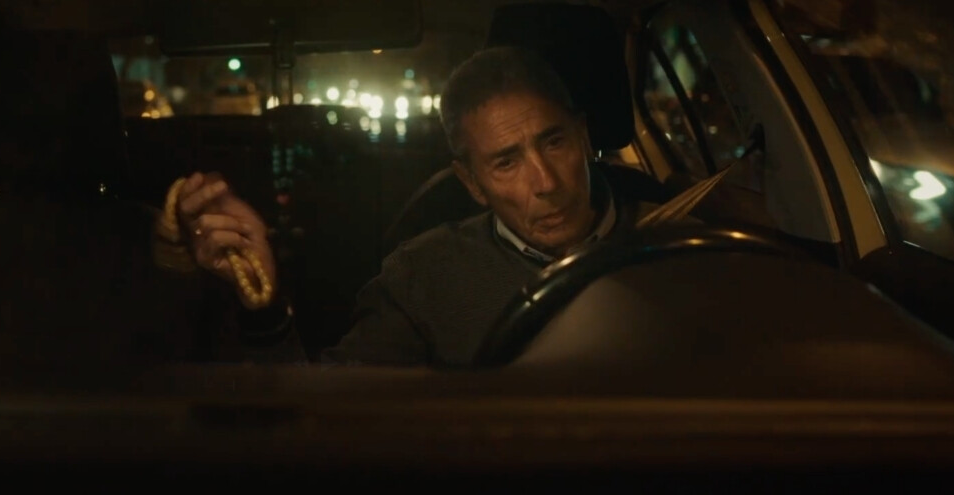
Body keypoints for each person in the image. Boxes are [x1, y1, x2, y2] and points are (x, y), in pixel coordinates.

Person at [171, 47, 659, 366]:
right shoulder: (424, 277)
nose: (546, 182)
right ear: (472, 184)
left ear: (584, 137)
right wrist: (264, 306)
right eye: (507, 163)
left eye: (554, 143)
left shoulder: (680, 244)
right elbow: (327, 414)